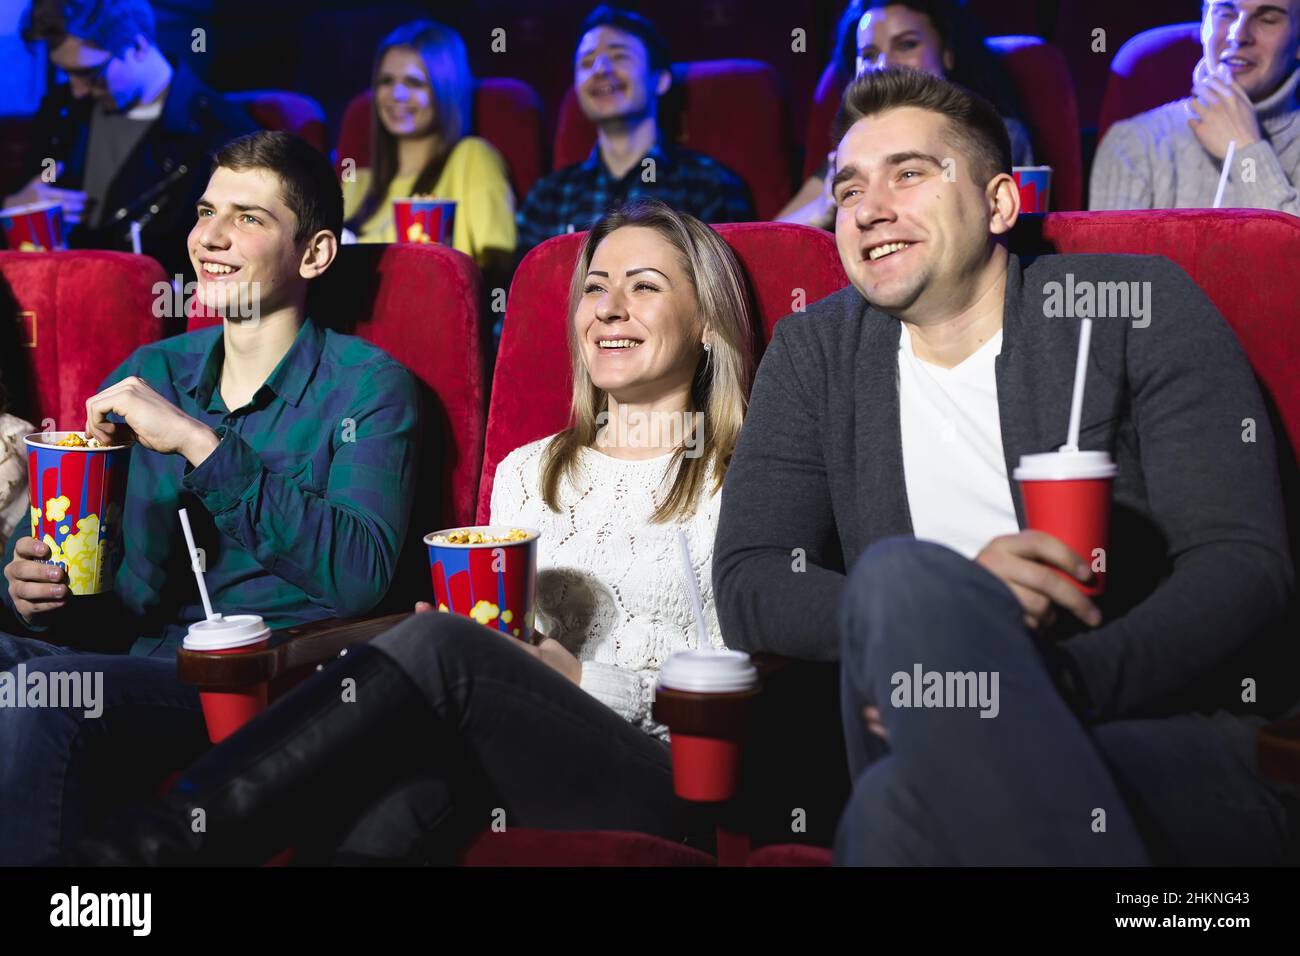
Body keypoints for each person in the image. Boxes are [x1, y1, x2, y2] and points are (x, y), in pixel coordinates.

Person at [713, 68, 1299, 865]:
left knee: (892, 812)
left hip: (1160, 741)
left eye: (910, 173)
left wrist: (1035, 681)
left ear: (999, 203)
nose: (868, 208)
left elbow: (1244, 568)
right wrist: (935, 624)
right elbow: (751, 581)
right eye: (849, 190)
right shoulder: (813, 351)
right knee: (896, 584)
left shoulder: (1135, 307)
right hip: (915, 735)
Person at [64, 199, 759, 866]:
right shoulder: (530, 470)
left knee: (436, 650)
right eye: (596, 287)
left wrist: (574, 676)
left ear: (705, 322)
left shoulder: (749, 475)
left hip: (670, 778)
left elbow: (752, 690)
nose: (608, 308)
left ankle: (147, 851)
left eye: (644, 288)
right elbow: (504, 637)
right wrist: (483, 652)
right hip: (510, 751)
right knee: (393, 794)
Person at [0, 130, 421, 864]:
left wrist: (200, 444)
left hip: (256, 681)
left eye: (249, 218)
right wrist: (27, 581)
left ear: (315, 254)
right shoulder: (152, 368)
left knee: (47, 696)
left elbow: (360, 574)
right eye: (205, 211)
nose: (210, 238)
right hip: (126, 655)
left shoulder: (368, 386)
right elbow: (78, 549)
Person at [6, 0, 257, 281]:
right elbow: (24, 208)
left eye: (89, 74)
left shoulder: (222, 134)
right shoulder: (60, 110)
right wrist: (13, 207)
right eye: (67, 73)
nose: (77, 91)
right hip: (58, 296)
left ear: (138, 47)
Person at [514, 5, 754, 257]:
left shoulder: (708, 184)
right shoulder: (549, 196)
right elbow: (525, 291)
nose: (600, 70)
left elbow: (723, 285)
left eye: (619, 57)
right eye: (586, 62)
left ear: (660, 79)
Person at [777, 0, 1033, 228]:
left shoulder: (997, 134)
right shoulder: (851, 150)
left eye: (907, 44)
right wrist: (825, 205)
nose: (884, 66)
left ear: (947, 53)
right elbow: (768, 234)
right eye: (869, 55)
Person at [340, 19, 516, 279]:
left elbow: (499, 270)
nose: (396, 94)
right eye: (386, 81)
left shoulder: (472, 158)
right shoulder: (357, 183)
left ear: (445, 90)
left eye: (414, 83)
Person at [1090, 0, 1300, 213]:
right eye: (1225, 13)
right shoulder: (1132, 143)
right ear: (1204, 24)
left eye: (1267, 20)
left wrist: (1246, 153)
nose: (1238, 35)